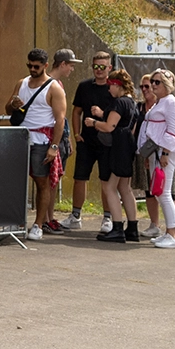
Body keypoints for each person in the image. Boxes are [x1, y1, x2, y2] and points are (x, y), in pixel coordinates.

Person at [82, 69, 141, 242]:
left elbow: (109, 127)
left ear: (117, 85)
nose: (108, 90)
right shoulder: (132, 103)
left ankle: (117, 227)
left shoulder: (119, 103)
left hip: (118, 146)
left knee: (109, 187)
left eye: (110, 85)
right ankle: (132, 227)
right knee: (125, 188)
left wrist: (93, 122)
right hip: (128, 145)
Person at [14, 49, 67, 239]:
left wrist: (54, 146)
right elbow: (10, 108)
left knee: (42, 182)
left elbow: (60, 120)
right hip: (21, 138)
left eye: (36, 66)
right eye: (29, 65)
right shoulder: (21, 83)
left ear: (45, 66)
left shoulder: (54, 88)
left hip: (42, 140)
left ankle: (38, 224)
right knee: (16, 182)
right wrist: (12, 105)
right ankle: (16, 220)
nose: (32, 69)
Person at [64, 52, 114, 231]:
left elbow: (120, 112)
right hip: (86, 140)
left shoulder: (114, 87)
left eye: (102, 67)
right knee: (80, 178)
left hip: (107, 141)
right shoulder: (84, 86)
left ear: (109, 68)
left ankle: (107, 218)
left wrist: (102, 114)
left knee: (105, 180)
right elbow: (76, 111)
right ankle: (75, 215)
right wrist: (77, 134)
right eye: (96, 66)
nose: (98, 70)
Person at [140, 69, 175, 248]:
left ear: (167, 84)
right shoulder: (161, 102)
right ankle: (169, 231)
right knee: (159, 192)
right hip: (156, 151)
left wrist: (165, 153)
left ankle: (173, 234)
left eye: (157, 82)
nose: (153, 85)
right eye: (152, 81)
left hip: (165, 152)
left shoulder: (171, 103)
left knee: (165, 193)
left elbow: (173, 131)